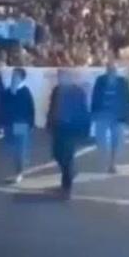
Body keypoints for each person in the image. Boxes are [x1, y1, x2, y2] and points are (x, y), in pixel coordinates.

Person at [46, 69, 91, 199]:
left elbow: (83, 111)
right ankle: (70, 174)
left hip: (70, 129)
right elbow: (52, 107)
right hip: (58, 127)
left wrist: (84, 130)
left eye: (62, 77)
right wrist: (49, 123)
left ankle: (67, 188)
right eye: (59, 77)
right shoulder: (56, 90)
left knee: (68, 157)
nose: (60, 80)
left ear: (69, 78)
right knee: (57, 154)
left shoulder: (77, 92)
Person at [91, 58, 129, 173]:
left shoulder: (122, 82)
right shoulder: (100, 80)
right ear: (106, 69)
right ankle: (105, 160)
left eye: (114, 68)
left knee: (117, 140)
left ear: (117, 70)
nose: (112, 70)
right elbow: (95, 97)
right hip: (102, 114)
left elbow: (128, 100)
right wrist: (93, 114)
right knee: (101, 140)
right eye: (110, 68)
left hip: (117, 115)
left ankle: (112, 163)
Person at [1, 67, 35, 184]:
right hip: (8, 123)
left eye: (16, 76)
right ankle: (21, 163)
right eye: (12, 75)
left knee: (19, 149)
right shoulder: (7, 91)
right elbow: (2, 106)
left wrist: (30, 124)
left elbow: (31, 109)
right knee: (11, 147)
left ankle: (19, 172)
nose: (13, 78)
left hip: (21, 123)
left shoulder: (25, 92)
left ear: (21, 78)